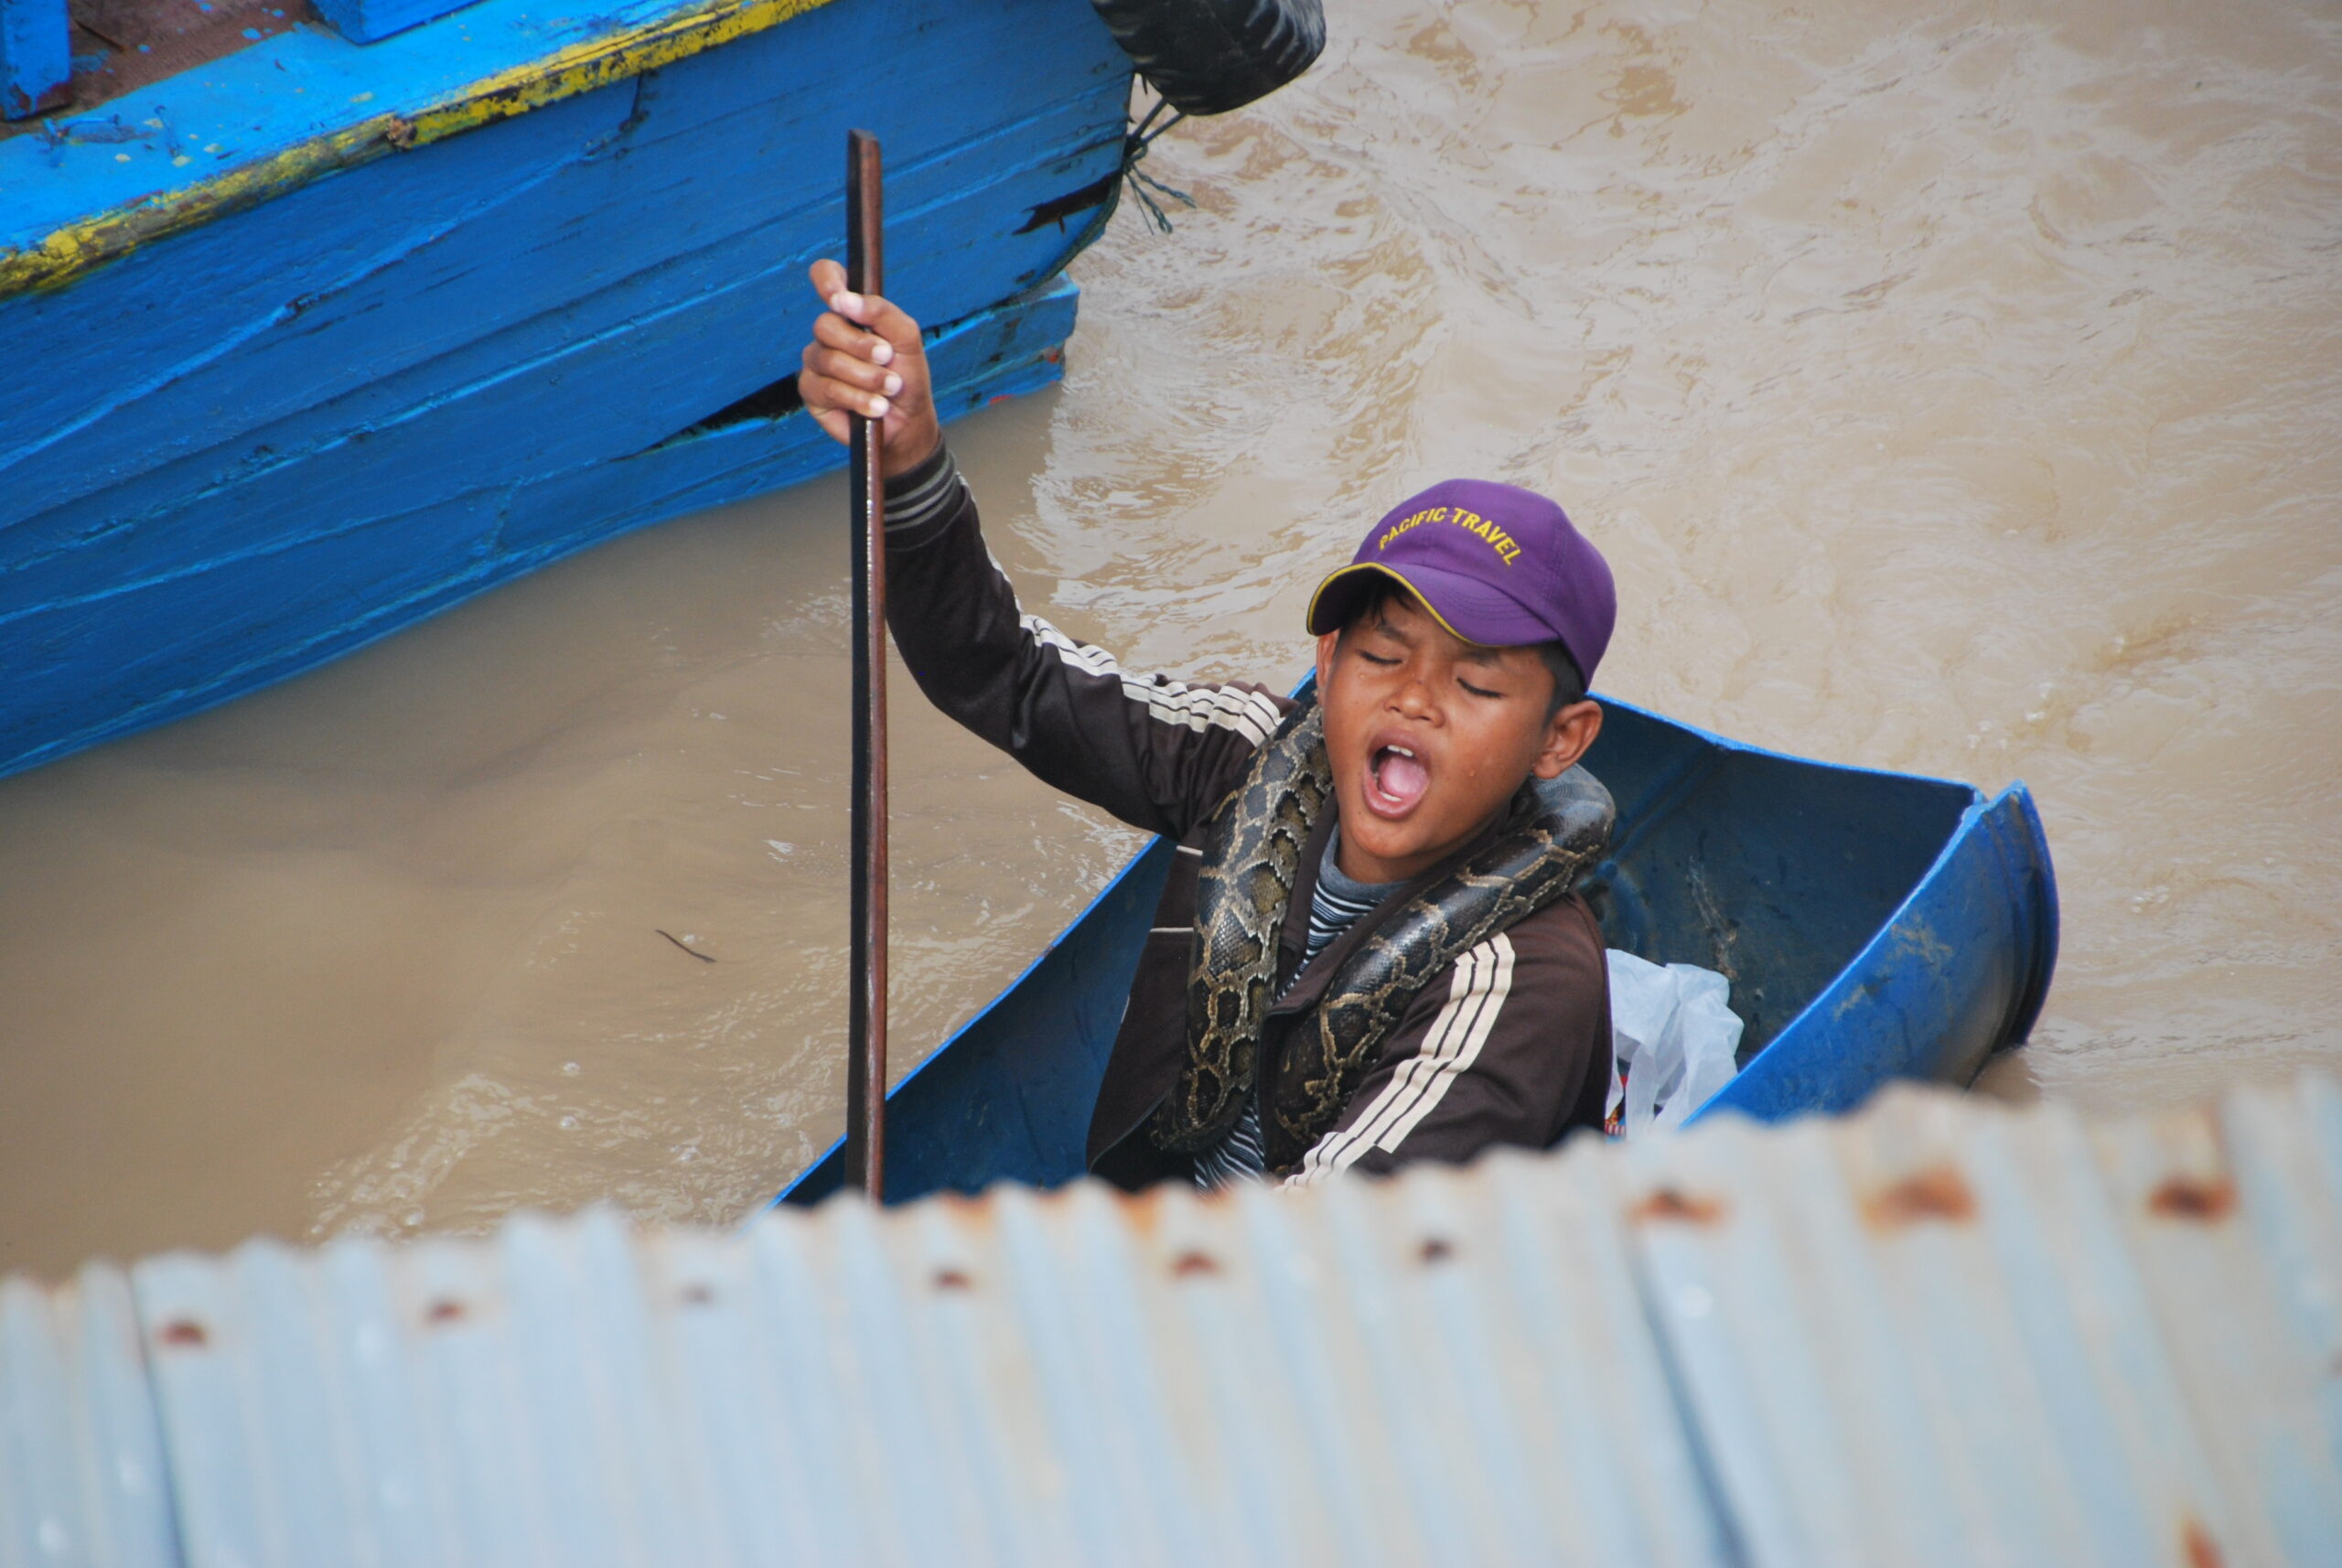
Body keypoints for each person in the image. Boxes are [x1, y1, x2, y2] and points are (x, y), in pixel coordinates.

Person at [796, 260, 1616, 1189]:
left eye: (1473, 682)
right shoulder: (1247, 753)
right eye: (1383, 657)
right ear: (1327, 663)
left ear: (1560, 739)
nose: (1413, 699)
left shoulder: (1523, 978)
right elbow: (1005, 673)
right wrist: (907, 459)